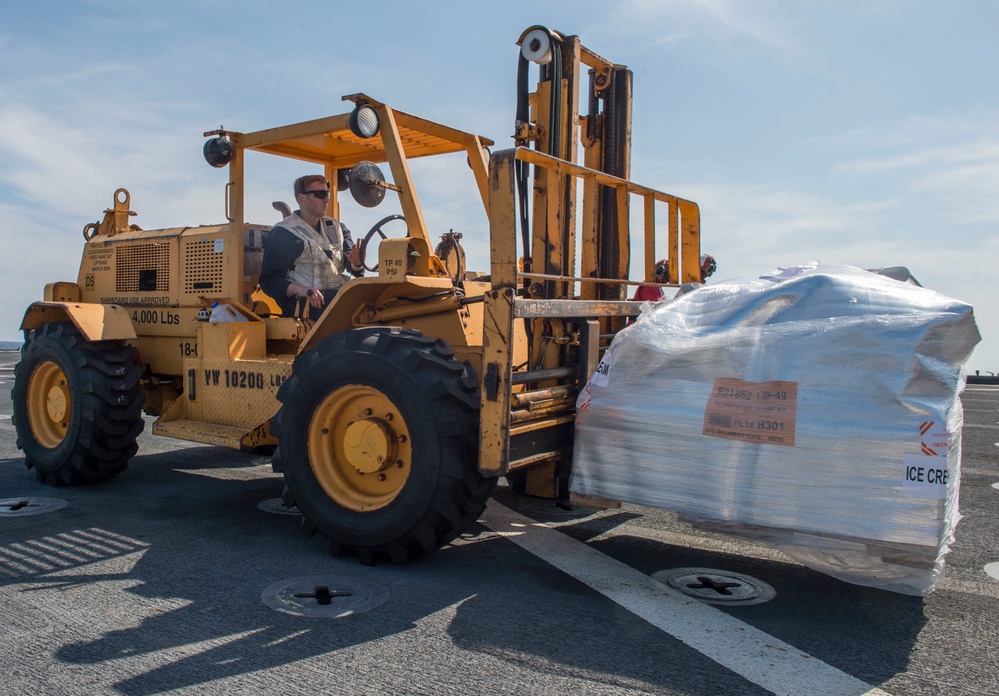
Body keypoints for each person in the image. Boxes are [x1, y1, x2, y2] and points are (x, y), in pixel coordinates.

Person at [259, 174, 364, 321]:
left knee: (375, 297)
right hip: (304, 302)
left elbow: (351, 265)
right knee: (357, 307)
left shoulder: (337, 227)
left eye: (327, 194)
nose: (326, 199)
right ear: (302, 198)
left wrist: (357, 263)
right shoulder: (284, 233)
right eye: (320, 195)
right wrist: (301, 289)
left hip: (336, 295)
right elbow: (269, 281)